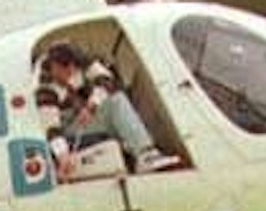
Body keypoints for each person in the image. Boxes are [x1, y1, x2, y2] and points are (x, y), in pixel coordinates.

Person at [35, 42, 176, 178]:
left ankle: (143, 155)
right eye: (65, 69)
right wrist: (63, 156)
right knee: (115, 104)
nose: (71, 72)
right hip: (67, 129)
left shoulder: (80, 60)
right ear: (54, 66)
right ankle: (143, 154)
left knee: (116, 100)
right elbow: (51, 129)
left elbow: (107, 80)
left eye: (73, 67)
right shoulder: (45, 88)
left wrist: (91, 107)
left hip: (84, 114)